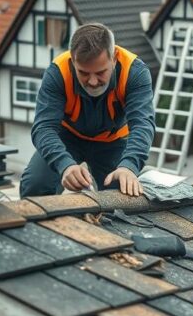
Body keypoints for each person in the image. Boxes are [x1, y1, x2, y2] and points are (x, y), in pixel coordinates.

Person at [19, 23, 155, 197]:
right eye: (83, 73)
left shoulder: (135, 72)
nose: (92, 81)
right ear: (72, 62)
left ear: (113, 59)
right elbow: (43, 128)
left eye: (100, 73)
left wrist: (129, 165)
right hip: (67, 138)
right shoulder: (57, 72)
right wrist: (65, 164)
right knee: (35, 186)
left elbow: (143, 125)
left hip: (112, 143)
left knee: (123, 196)